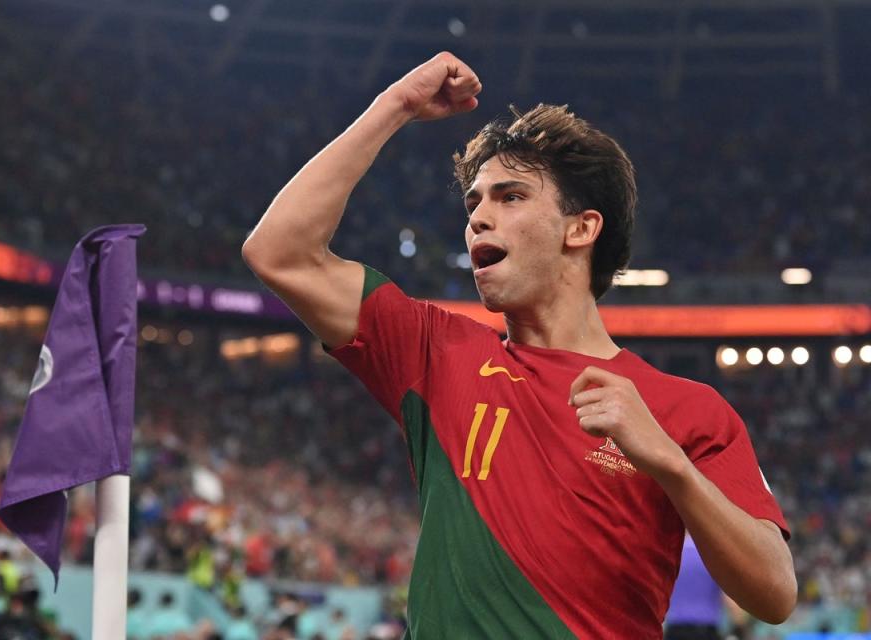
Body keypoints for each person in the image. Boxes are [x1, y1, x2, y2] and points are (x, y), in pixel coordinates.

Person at [242, 52, 796, 638]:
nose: (478, 218)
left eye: (509, 197)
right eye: (473, 202)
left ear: (580, 228)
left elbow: (775, 593)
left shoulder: (688, 410)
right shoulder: (436, 352)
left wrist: (670, 465)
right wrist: (394, 106)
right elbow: (279, 253)